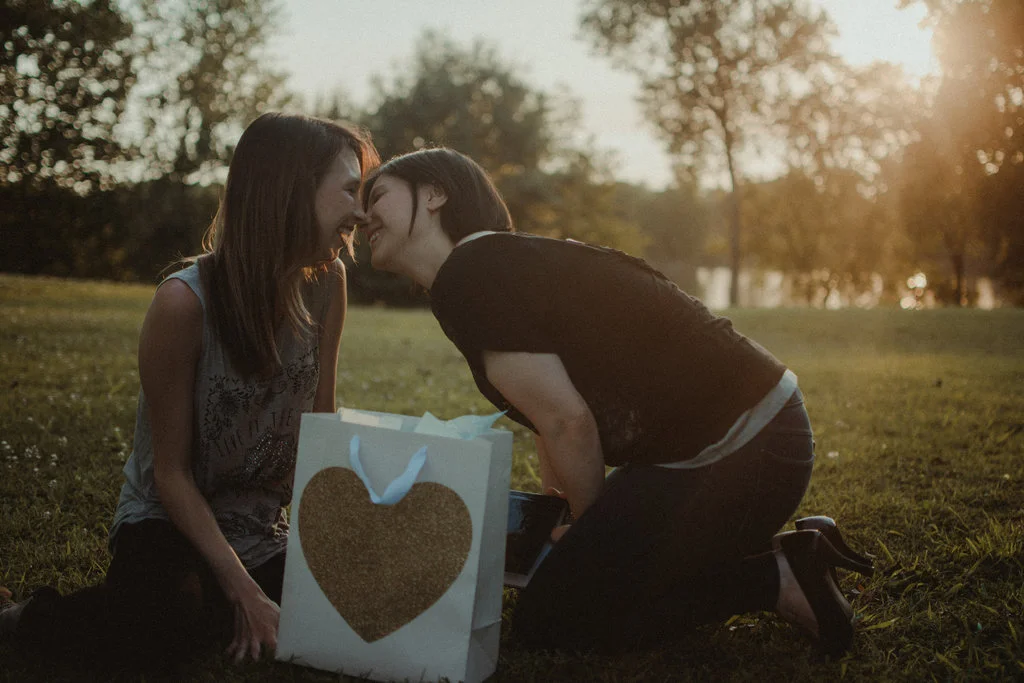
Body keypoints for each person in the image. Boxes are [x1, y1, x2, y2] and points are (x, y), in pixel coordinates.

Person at [358, 147, 874, 656]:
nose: (363, 216)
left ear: (433, 194)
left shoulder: (471, 274)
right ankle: (772, 556)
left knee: (556, 618)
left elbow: (568, 420)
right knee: (572, 587)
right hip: (742, 441)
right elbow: (550, 416)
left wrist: (588, 535)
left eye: (377, 195)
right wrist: (562, 515)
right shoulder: (487, 265)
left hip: (746, 447)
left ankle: (777, 575)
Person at [0, 112, 379, 670]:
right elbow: (169, 475)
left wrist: (346, 534)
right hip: (168, 519)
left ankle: (223, 601)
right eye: (349, 190)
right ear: (292, 192)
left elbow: (321, 422)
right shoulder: (183, 303)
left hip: (258, 524)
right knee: (167, 620)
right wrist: (245, 591)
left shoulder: (329, 284)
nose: (361, 211)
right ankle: (20, 617)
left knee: (339, 613)